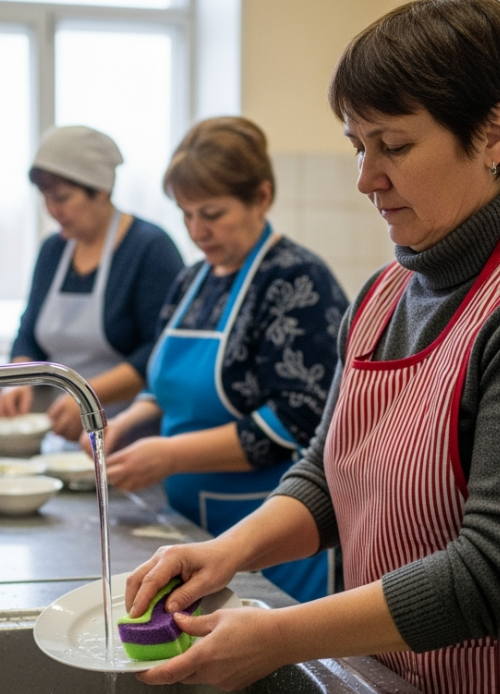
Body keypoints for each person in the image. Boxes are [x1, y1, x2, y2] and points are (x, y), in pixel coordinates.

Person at [121, 2, 500, 694]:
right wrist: (224, 554)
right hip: (399, 673)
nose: (365, 177)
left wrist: (278, 635)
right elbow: (328, 477)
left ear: (495, 133)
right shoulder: (385, 293)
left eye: (394, 146)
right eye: (358, 145)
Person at [102, 117, 348, 604]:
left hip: (273, 539)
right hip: (189, 524)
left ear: (261, 196)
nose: (197, 231)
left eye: (211, 213)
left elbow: (295, 424)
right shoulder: (193, 279)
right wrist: (127, 423)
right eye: (187, 214)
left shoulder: (296, 280)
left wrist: (169, 455)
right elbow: (164, 384)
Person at [0, 126, 184, 440]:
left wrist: (88, 395)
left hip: (133, 434)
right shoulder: (53, 251)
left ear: (101, 190)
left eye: (62, 198)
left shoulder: (150, 248)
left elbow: (160, 350)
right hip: (67, 433)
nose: (53, 210)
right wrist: (19, 378)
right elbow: (29, 334)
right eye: (45, 199)